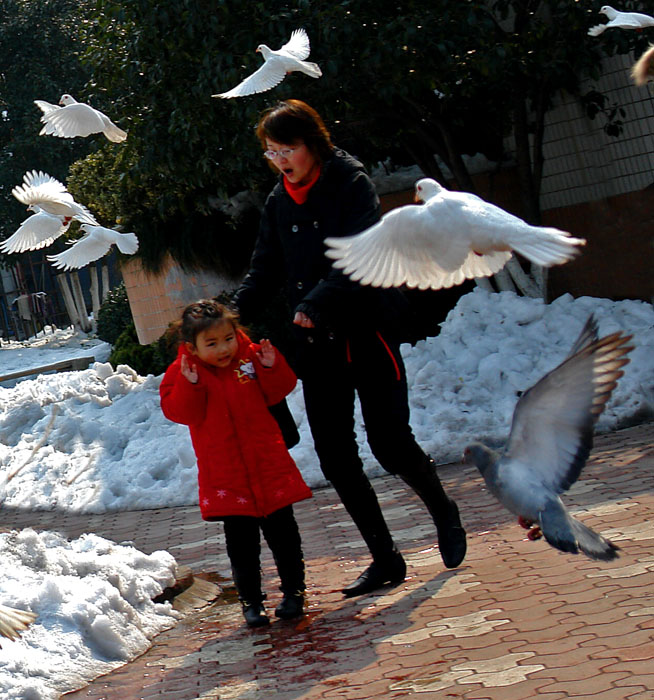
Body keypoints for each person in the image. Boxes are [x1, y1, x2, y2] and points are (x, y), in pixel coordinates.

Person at [233, 99, 467, 598]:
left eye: (287, 149)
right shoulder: (279, 200)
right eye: (271, 153)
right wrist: (232, 314)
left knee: (389, 441)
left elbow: (364, 253)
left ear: (312, 143)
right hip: (317, 346)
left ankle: (444, 510)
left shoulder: (350, 182)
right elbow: (265, 266)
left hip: (366, 330)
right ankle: (385, 558)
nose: (280, 160)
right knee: (336, 457)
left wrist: (317, 302)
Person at [159, 299, 312, 627]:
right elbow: (180, 412)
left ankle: (294, 592)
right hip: (226, 474)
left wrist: (272, 367)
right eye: (211, 344)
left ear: (236, 332)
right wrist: (190, 384)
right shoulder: (185, 372)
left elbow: (277, 391)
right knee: (242, 545)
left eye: (228, 338)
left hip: (267, 464)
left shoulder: (251, 358)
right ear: (192, 347)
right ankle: (251, 601)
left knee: (285, 536)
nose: (223, 348)